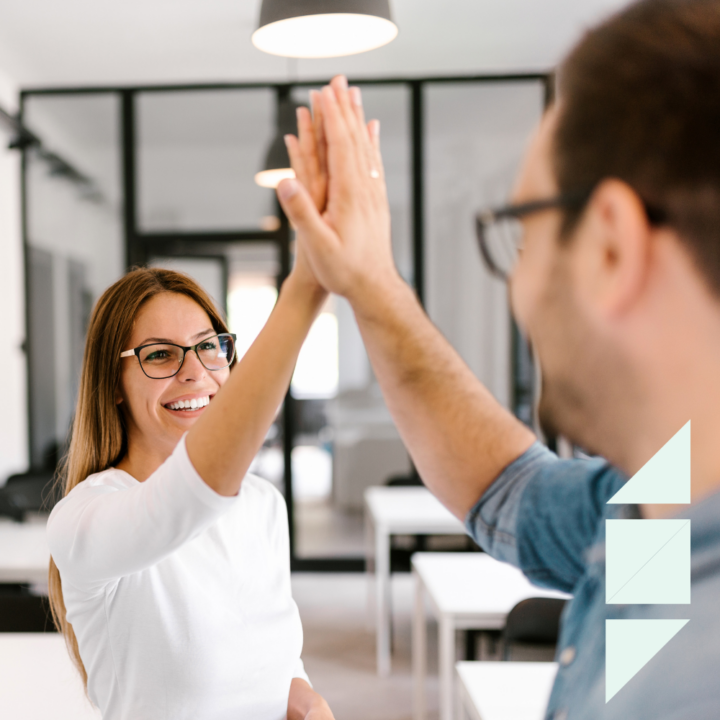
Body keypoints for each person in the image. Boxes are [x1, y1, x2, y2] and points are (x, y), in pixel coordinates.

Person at [277, 0, 720, 717]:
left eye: (523, 230)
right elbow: (509, 490)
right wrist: (371, 282)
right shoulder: (655, 507)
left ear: (611, 246)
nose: (516, 284)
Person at [47, 98, 335, 720]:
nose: (195, 373)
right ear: (114, 381)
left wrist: (304, 698)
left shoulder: (263, 507)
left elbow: (278, 656)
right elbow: (183, 502)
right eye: (160, 355)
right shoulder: (85, 520)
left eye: (209, 347)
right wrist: (302, 292)